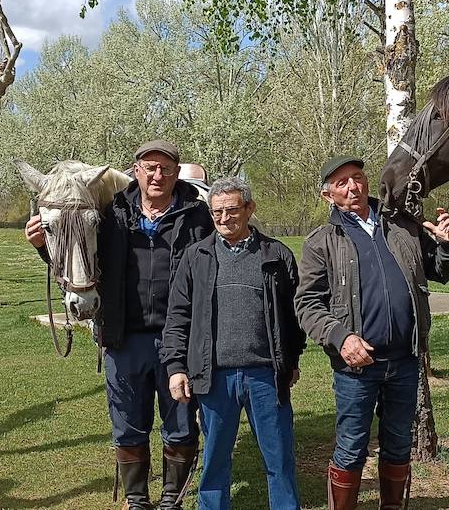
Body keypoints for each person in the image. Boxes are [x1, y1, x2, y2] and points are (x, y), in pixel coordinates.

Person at [25, 140, 213, 510]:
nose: (158, 176)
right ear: (136, 171)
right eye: (150, 168)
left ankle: (171, 501)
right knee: (127, 426)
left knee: (179, 424)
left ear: (176, 173)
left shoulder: (198, 215)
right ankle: (138, 500)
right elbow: (79, 248)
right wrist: (43, 247)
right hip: (124, 337)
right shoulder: (114, 212)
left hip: (180, 342)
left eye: (166, 169)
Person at [294, 155, 449, 510]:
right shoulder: (321, 242)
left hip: (404, 361)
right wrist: (341, 338)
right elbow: (307, 305)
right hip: (357, 367)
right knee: (352, 447)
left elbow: (439, 270)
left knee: (399, 443)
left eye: (357, 177)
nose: (353, 186)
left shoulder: (401, 226)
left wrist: (448, 244)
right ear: (328, 196)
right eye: (342, 183)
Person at [161, 176, 306, 510]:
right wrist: (176, 368)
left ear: (250, 208)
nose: (224, 219)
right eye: (216, 213)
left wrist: (292, 360)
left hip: (266, 377)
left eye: (231, 210)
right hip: (214, 378)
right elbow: (178, 317)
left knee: (280, 458)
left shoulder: (276, 255)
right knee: (214, 462)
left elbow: (294, 315)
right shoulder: (195, 256)